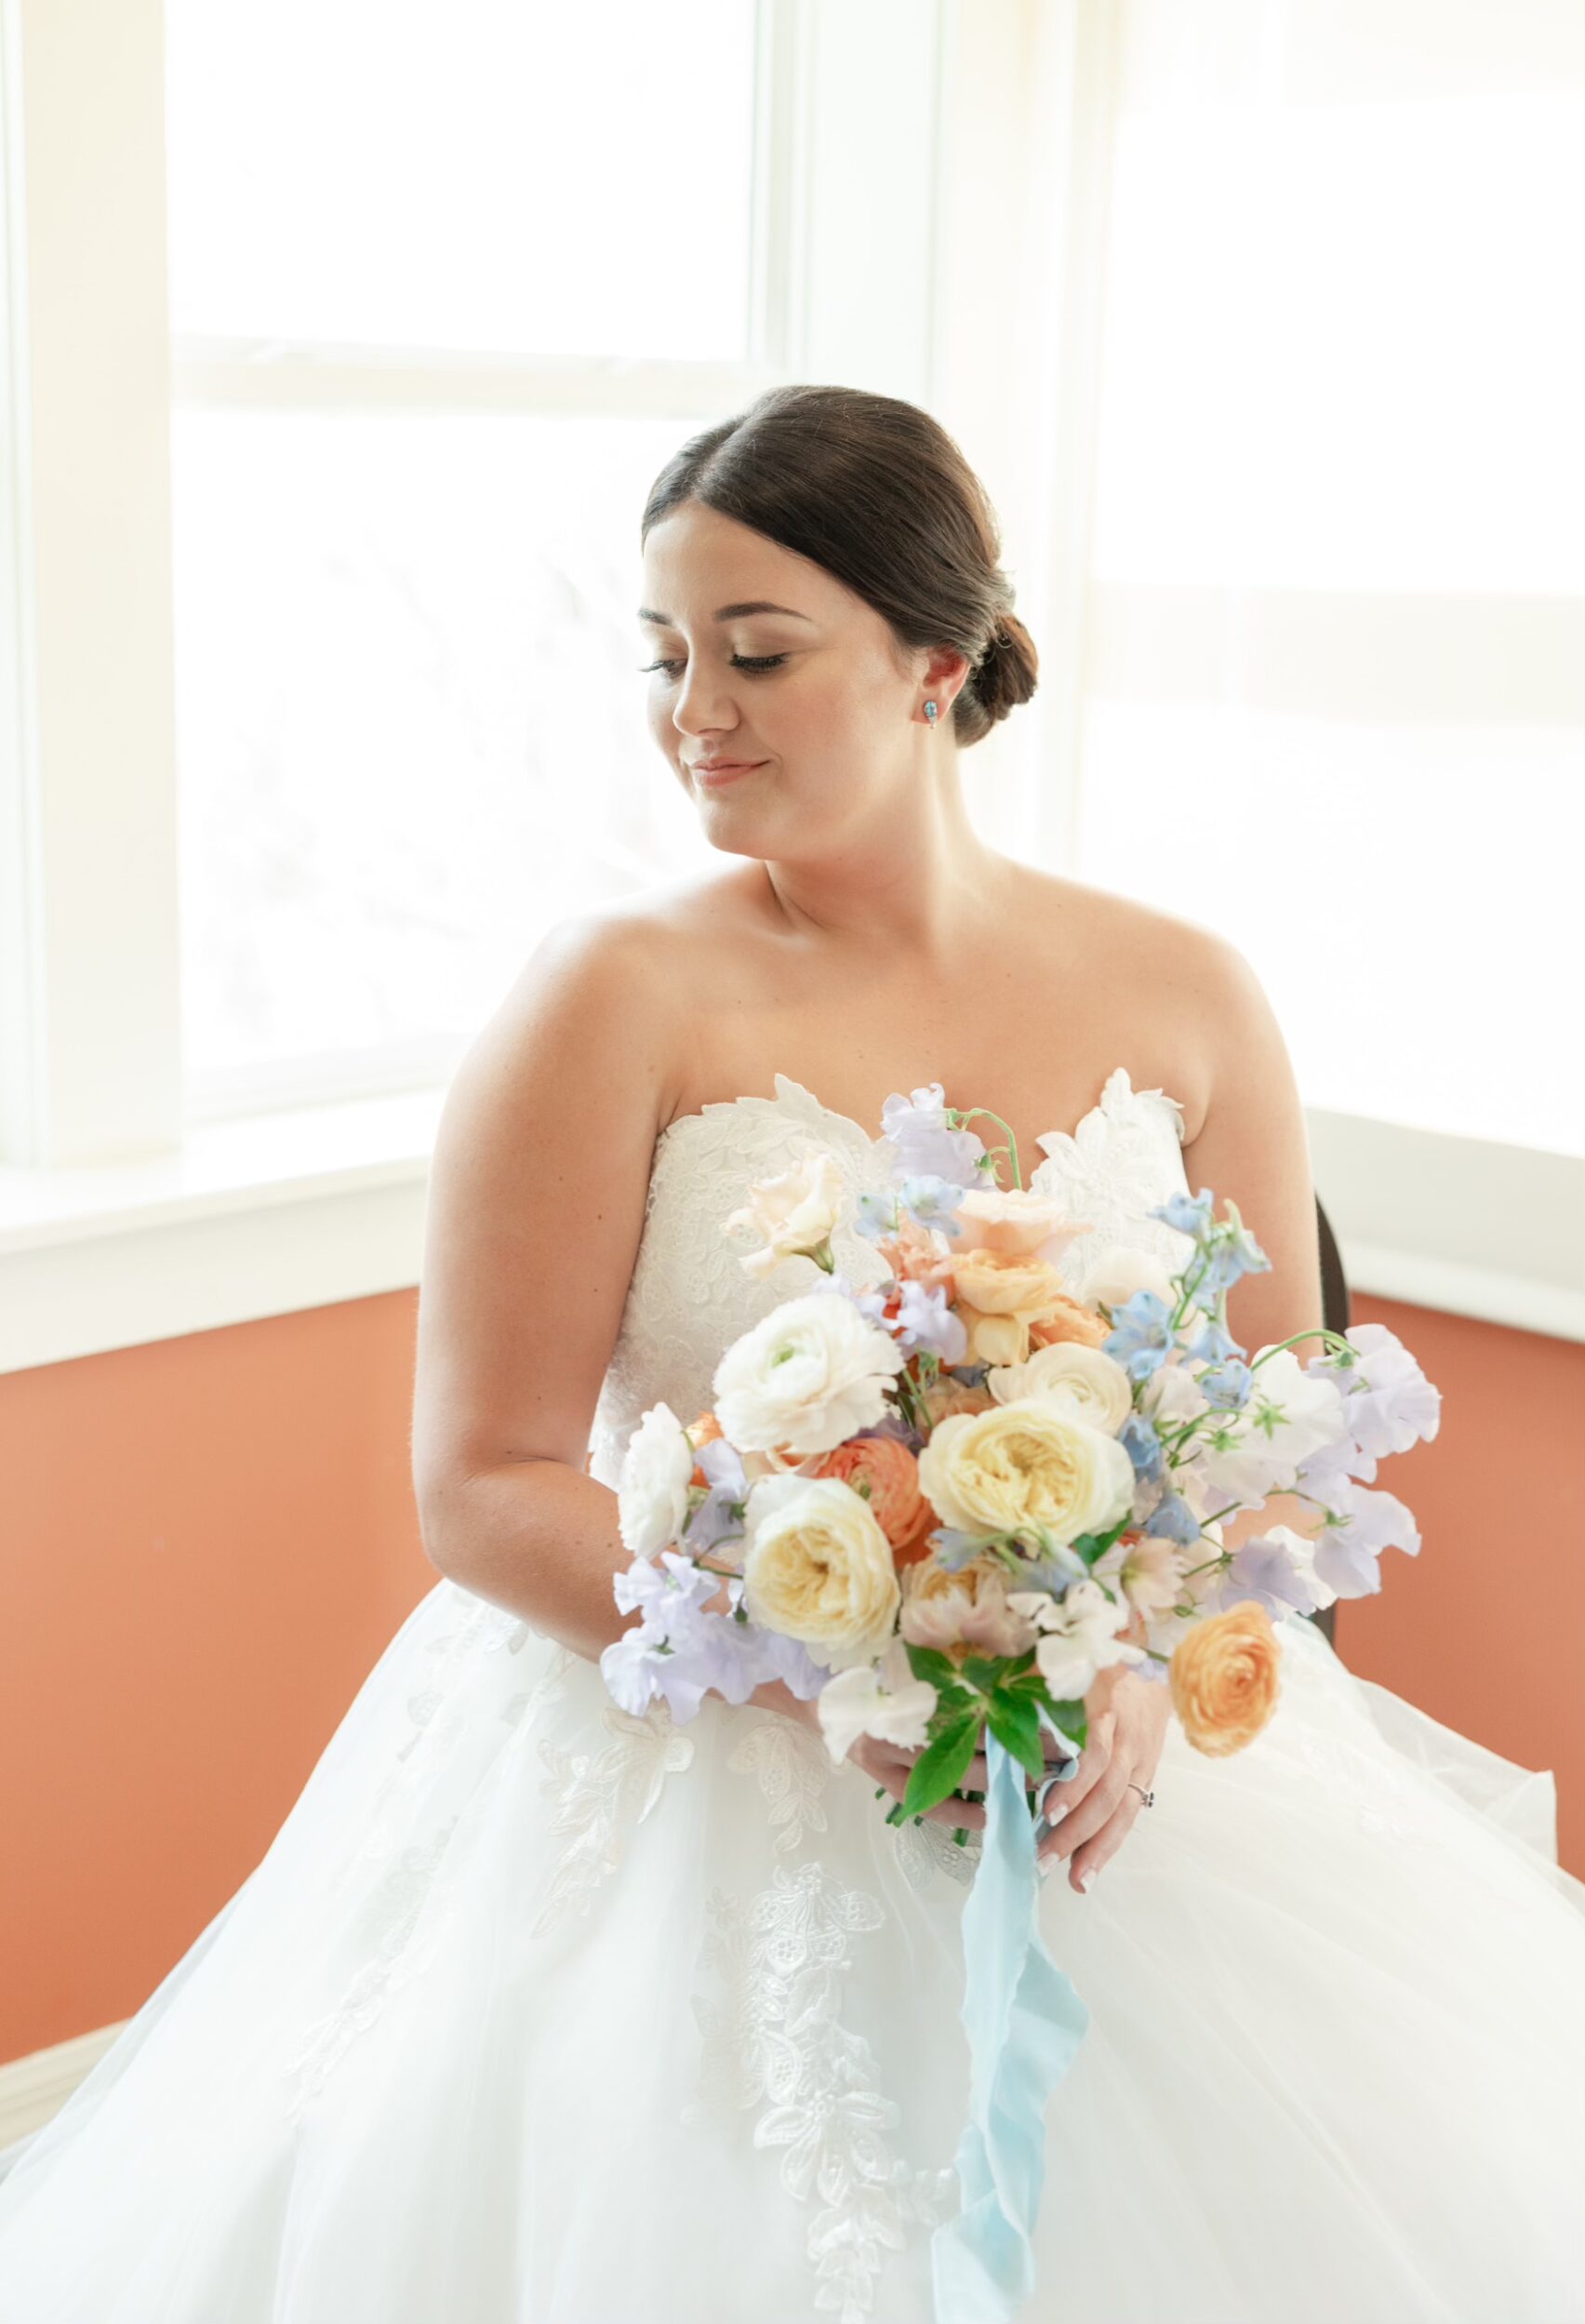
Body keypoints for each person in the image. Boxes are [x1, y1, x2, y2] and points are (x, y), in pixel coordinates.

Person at [1, 382, 1581, 2323]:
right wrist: (853, 1653)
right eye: (664, 656)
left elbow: (1276, 1431)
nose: (694, 711)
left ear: (938, 655)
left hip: (1114, 1755)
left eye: (756, 650)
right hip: (683, 1746)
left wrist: (1145, 1662)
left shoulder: (1187, 990)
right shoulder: (614, 995)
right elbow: (482, 1481)